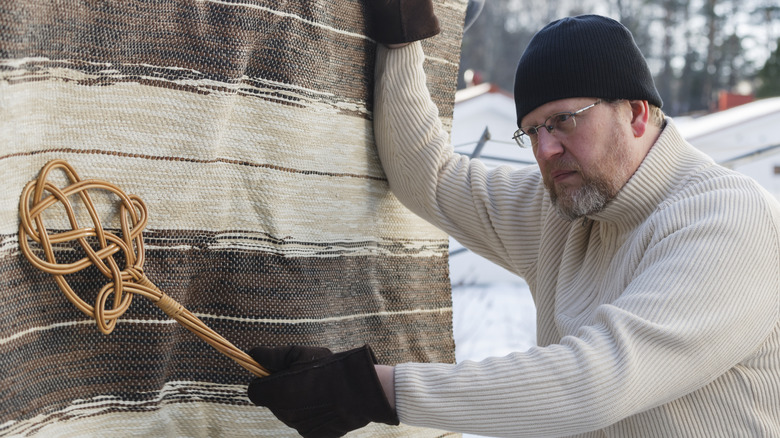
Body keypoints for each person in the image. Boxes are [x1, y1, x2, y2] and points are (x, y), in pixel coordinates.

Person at [246, 3, 780, 437]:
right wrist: (402, 36)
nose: (546, 149)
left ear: (637, 113)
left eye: (563, 121)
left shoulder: (727, 220)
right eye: (531, 131)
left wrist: (371, 390)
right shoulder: (569, 208)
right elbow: (427, 177)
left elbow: (592, 384)